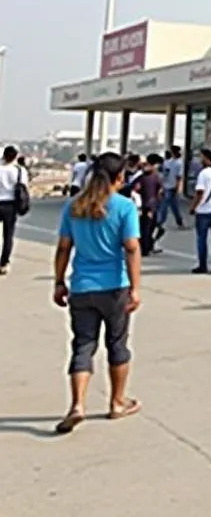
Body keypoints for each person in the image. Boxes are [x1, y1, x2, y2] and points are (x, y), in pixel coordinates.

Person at [52, 152, 142, 433]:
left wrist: (58, 281)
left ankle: (77, 404)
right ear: (119, 178)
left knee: (82, 345)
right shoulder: (124, 207)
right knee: (117, 344)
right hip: (114, 286)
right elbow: (131, 247)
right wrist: (136, 288)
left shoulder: (73, 206)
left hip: (82, 286)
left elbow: (64, 247)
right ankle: (117, 402)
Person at [0, 145, 27, 275]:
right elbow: (24, 187)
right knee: (8, 235)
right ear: (15, 157)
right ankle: (3, 263)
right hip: (10, 205)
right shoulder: (19, 170)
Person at [136, 154, 164, 257]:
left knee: (144, 228)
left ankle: (144, 247)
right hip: (150, 205)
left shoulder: (141, 176)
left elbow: (136, 188)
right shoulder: (156, 176)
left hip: (143, 205)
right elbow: (159, 192)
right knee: (148, 229)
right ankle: (146, 248)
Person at [156, 146, 185, 236]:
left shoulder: (179, 163)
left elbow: (179, 177)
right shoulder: (170, 162)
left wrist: (177, 188)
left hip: (171, 187)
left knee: (164, 205)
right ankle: (179, 221)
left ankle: (160, 221)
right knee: (173, 206)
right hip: (167, 186)